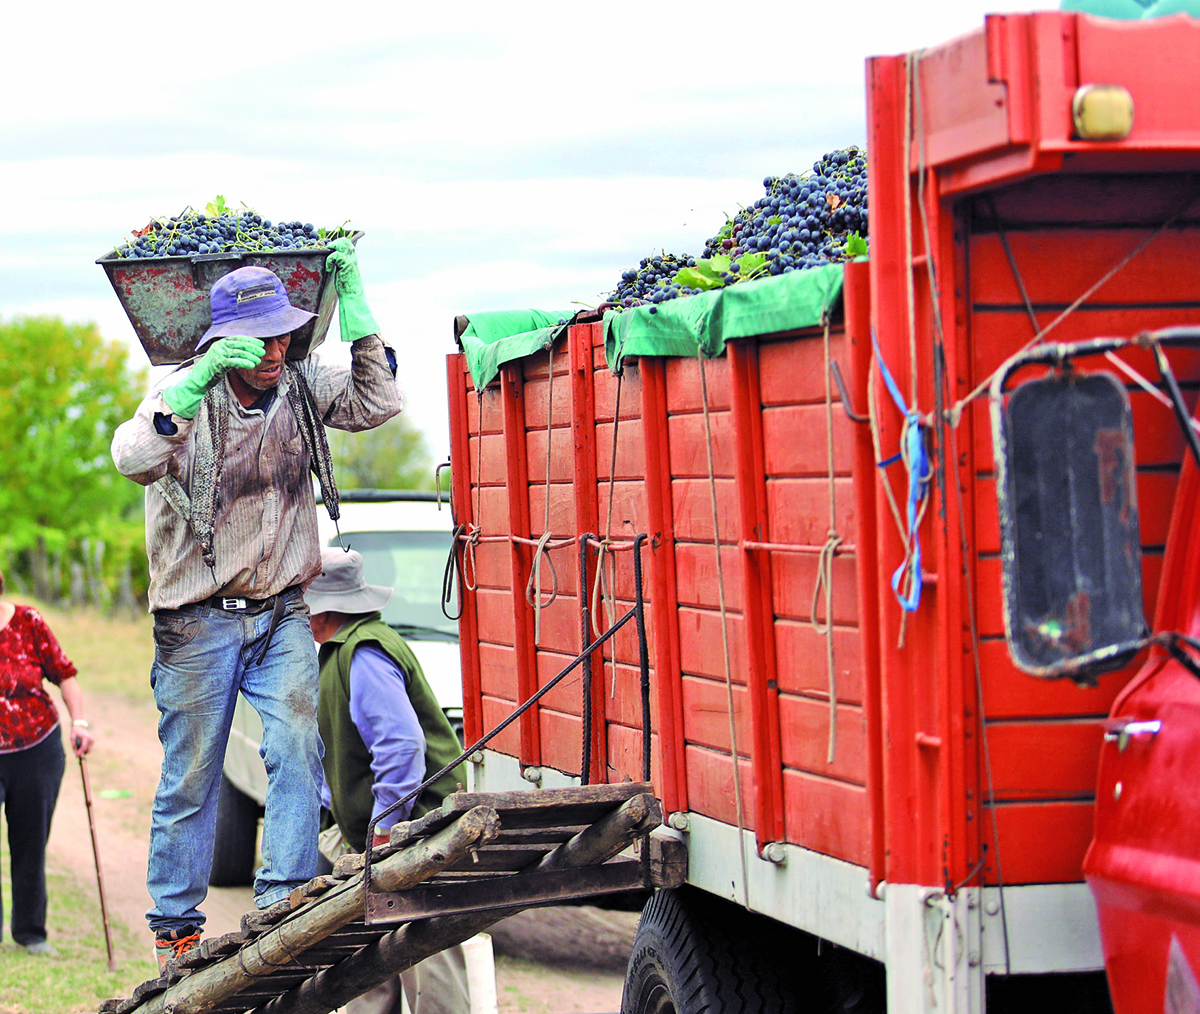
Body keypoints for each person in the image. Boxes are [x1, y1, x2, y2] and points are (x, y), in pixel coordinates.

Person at [110, 239, 401, 969]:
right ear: (221, 341)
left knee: (299, 748)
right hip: (197, 621)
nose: (275, 349)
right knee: (193, 775)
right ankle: (176, 928)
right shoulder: (185, 395)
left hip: (280, 613)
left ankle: (283, 900)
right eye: (259, 337)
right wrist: (198, 376)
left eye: (284, 333)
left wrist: (358, 304)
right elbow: (133, 457)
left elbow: (379, 399)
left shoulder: (304, 384)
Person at [308, 547, 470, 1014]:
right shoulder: (345, 647)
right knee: (366, 956)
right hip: (380, 833)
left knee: (426, 951)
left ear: (325, 608)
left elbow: (401, 749)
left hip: (413, 828)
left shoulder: (364, 653)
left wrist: (384, 828)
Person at [0, 571, 95, 955]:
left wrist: (81, 722)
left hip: (35, 748)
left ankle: (30, 932)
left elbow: (64, 674)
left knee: (30, 842)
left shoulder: (28, 622)